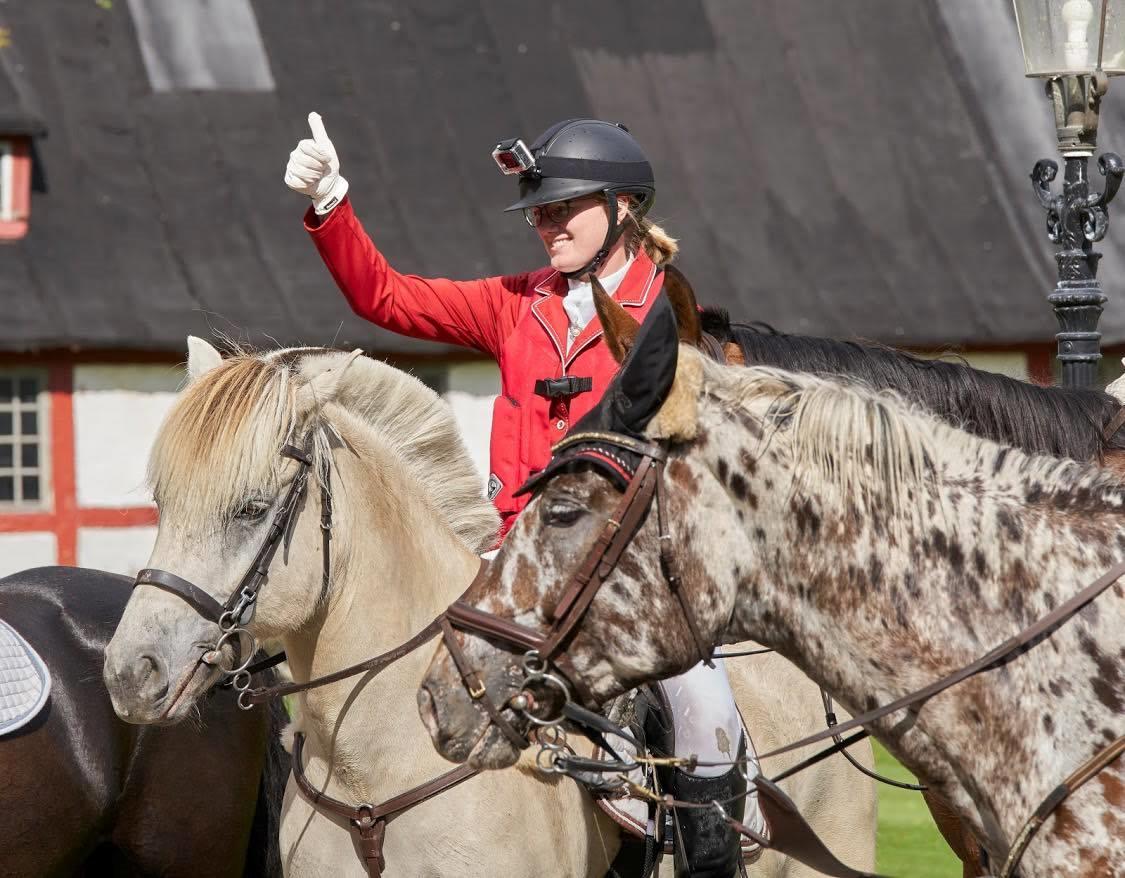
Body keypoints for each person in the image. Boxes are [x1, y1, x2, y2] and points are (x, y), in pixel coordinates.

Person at [285, 114, 765, 876]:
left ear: (621, 209)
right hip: (511, 561)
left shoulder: (668, 316)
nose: (543, 226)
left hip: (630, 573)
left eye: (558, 209)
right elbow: (387, 298)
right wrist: (332, 205)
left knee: (703, 711)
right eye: (536, 213)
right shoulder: (518, 302)